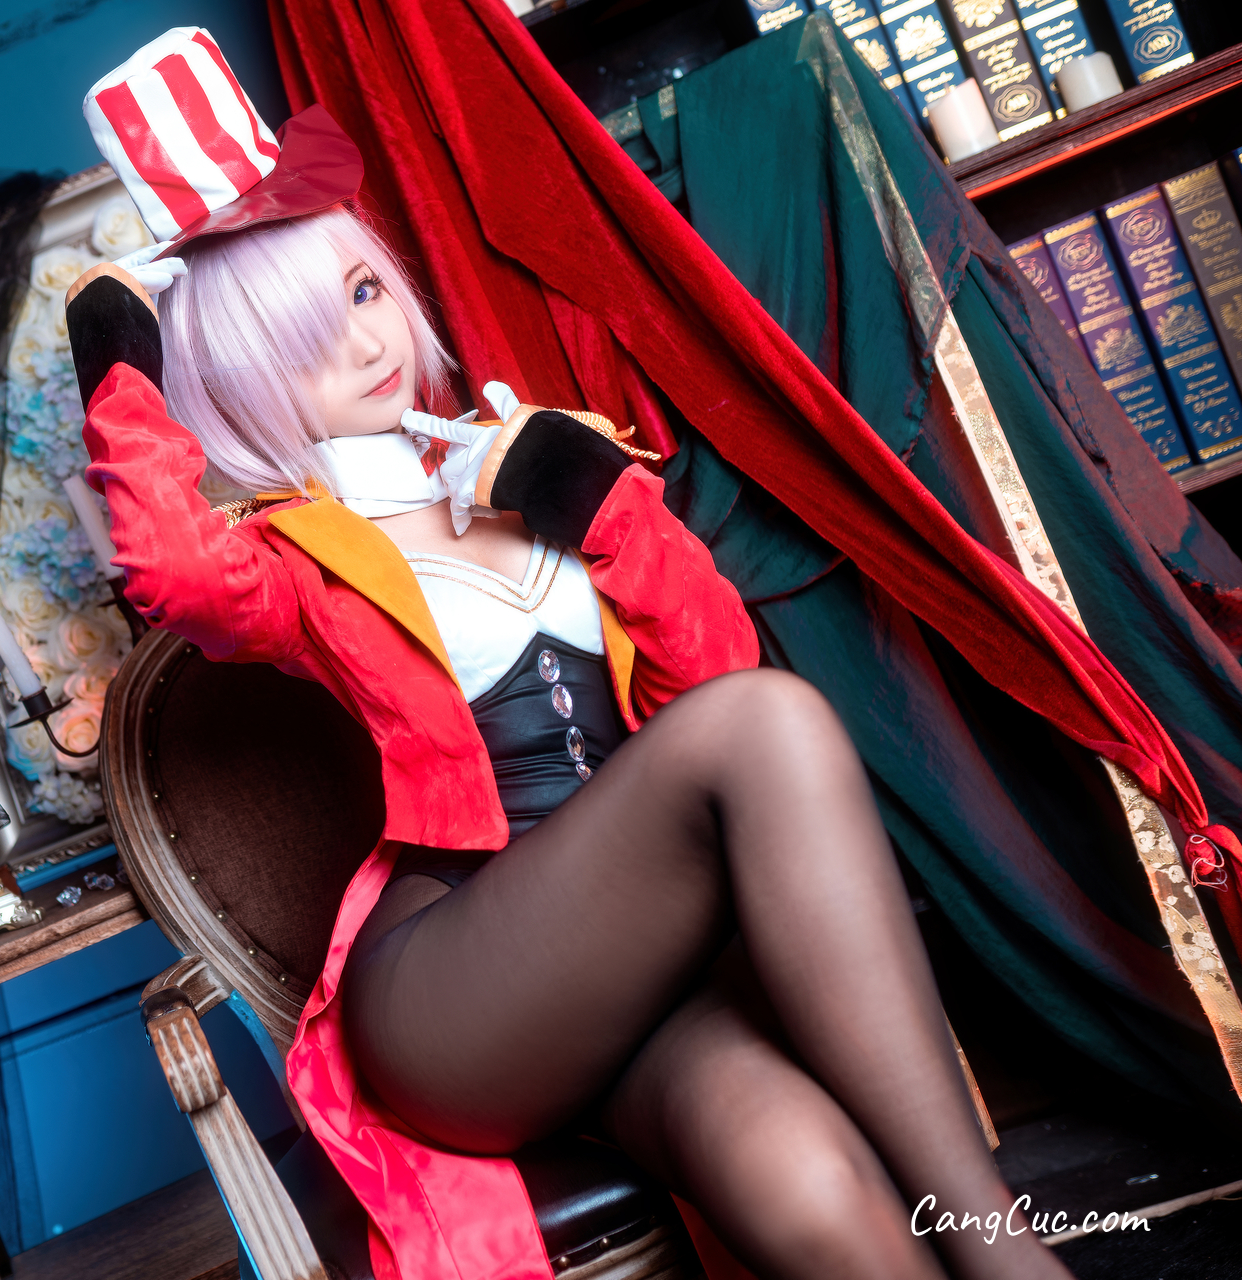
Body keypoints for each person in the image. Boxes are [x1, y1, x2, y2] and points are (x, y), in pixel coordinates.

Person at [66, 28, 1072, 1280]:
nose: (366, 346)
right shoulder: (293, 554)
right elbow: (166, 574)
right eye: (303, 340)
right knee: (765, 720)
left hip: (632, 960)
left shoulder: (522, 455)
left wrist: (598, 504)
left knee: (809, 1182)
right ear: (240, 375)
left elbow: (708, 670)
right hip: (456, 991)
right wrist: (119, 372)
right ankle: (1006, 1251)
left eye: (362, 293)